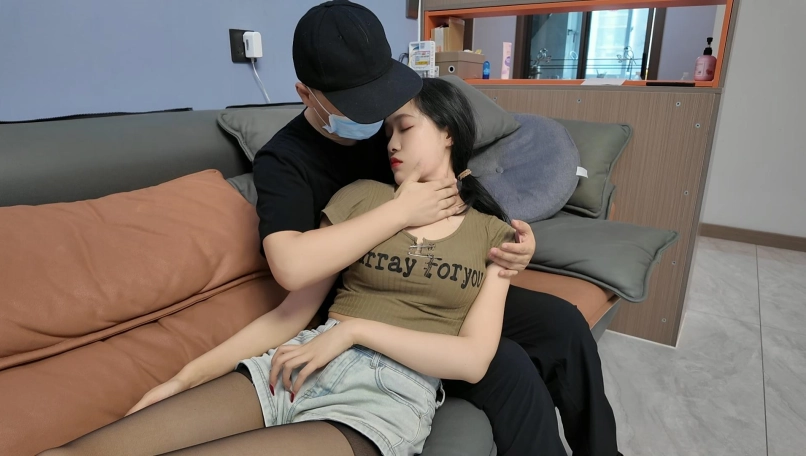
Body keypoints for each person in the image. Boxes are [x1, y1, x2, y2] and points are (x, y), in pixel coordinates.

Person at [46, 2, 621, 455]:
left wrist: (511, 244)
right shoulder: (288, 162)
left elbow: (454, 179)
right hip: (356, 296)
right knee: (509, 366)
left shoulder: (394, 124)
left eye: (389, 112)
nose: (383, 131)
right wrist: (399, 213)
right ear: (307, 96)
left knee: (560, 326)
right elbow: (293, 276)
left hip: (436, 287)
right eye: (360, 107)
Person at [42, 76, 518, 456]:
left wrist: (354, 332)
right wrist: (187, 377)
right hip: (295, 364)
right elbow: (291, 314)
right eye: (387, 131)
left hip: (385, 397)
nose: (390, 143)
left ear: (448, 132)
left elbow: (473, 361)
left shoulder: (495, 235)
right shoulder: (361, 199)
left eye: (405, 128)